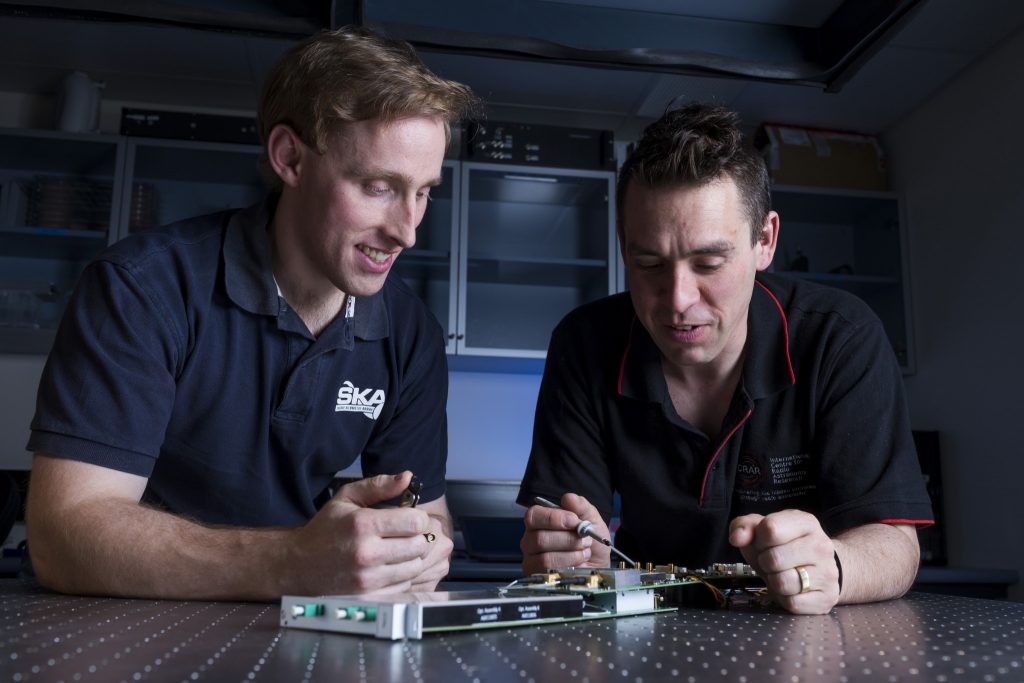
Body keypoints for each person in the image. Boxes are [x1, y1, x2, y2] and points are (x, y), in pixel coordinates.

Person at [25, 26, 479, 601]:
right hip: (125, 614)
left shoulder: (409, 332)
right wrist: (291, 562)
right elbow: (64, 535)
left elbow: (427, 515)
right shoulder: (143, 289)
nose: (407, 232)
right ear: (290, 158)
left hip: (295, 616)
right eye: (378, 186)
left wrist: (419, 547)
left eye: (423, 191)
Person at [517, 102, 934, 615]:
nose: (678, 300)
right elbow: (568, 537)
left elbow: (895, 544)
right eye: (649, 264)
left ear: (765, 241)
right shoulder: (583, 344)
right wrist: (572, 556)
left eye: (709, 263)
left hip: (808, 642)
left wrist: (835, 565)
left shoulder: (839, 337)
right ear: (624, 247)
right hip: (648, 630)